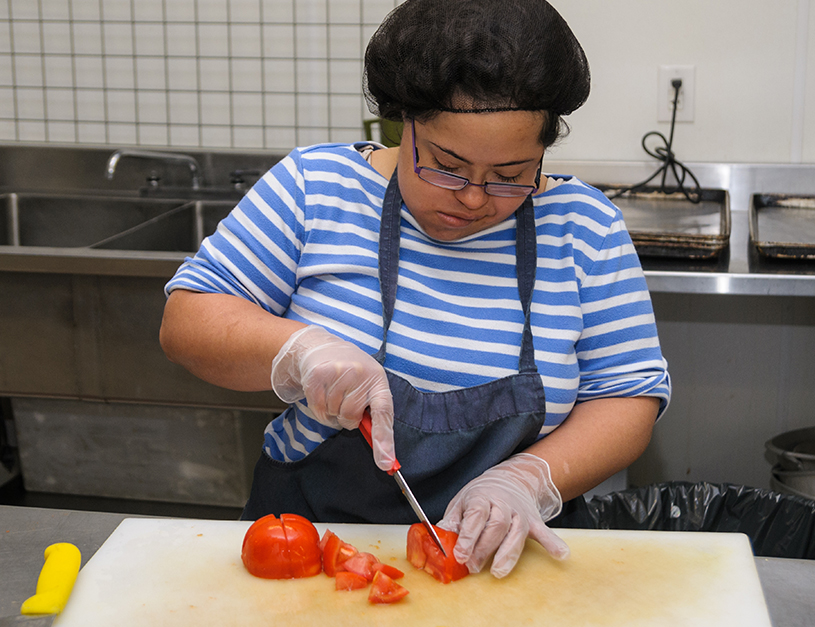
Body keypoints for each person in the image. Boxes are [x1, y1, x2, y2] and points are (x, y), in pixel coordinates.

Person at [159, 0, 670, 579]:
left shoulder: (585, 227)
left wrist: (527, 479)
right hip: (314, 554)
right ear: (404, 122)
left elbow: (627, 396)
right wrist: (300, 349)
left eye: (511, 175)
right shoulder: (315, 188)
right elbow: (187, 323)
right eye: (447, 166)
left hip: (509, 562)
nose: (475, 197)